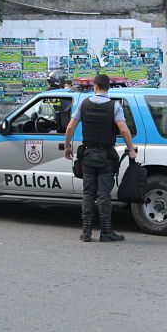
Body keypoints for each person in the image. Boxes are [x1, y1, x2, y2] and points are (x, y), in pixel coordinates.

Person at [64, 74, 136, 243]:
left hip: (87, 155)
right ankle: (106, 232)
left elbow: (70, 127)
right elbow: (124, 130)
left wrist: (67, 147)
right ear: (108, 88)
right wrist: (131, 149)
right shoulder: (114, 106)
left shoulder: (84, 103)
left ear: (94, 87)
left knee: (88, 194)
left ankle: (86, 232)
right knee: (104, 195)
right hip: (105, 156)